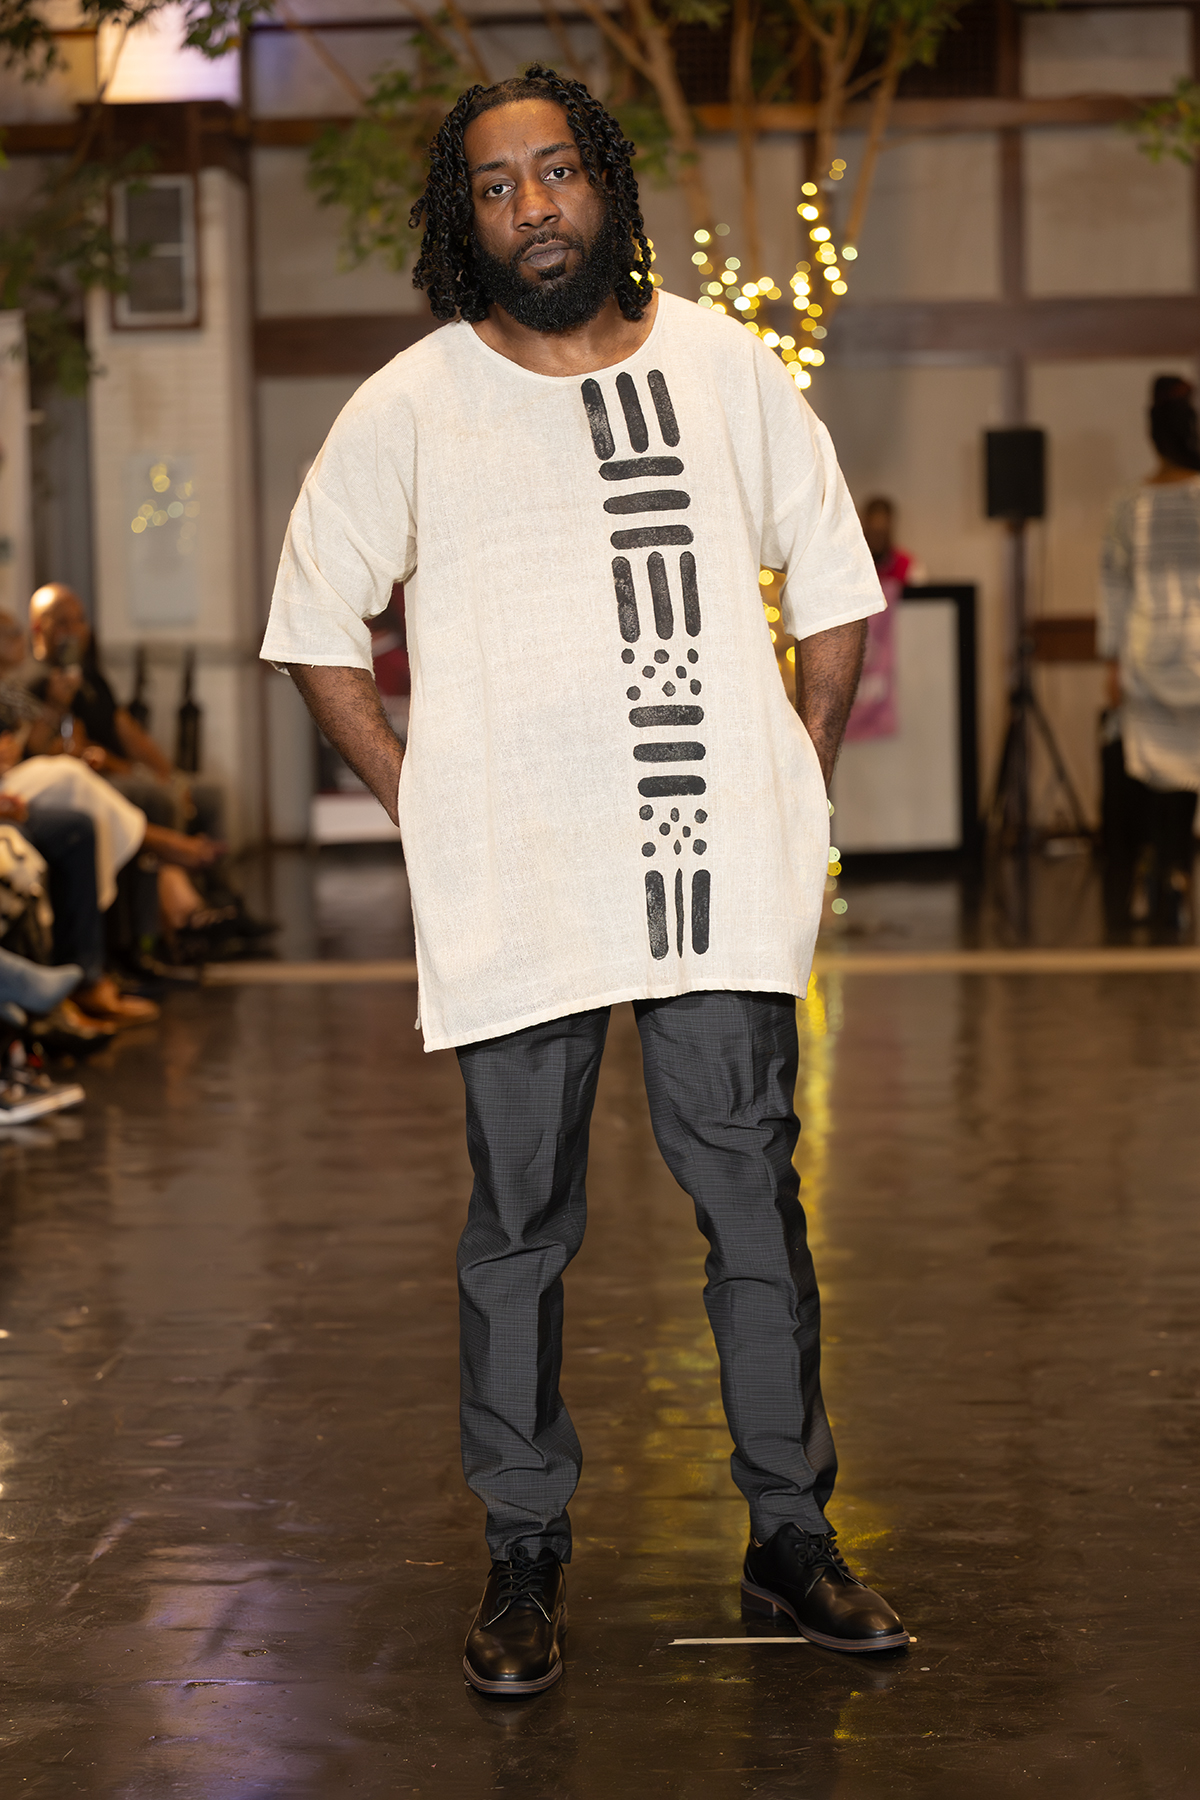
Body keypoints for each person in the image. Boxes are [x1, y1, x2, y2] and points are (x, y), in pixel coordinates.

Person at [263, 65, 907, 1698]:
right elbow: (315, 618)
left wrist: (797, 773)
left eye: (555, 171)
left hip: (709, 873)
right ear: (462, 217)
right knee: (519, 1228)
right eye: (496, 185)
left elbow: (835, 582)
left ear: (604, 184)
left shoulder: (725, 366)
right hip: (522, 883)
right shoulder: (413, 403)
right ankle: (525, 1550)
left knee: (751, 1201)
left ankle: (791, 1536)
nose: (532, 207)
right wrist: (422, 801)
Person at [1100, 375, 1200, 933]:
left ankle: (1160, 869)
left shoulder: (1130, 505)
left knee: (1157, 772)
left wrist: (1111, 662)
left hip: (1146, 654)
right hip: (1197, 656)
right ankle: (1178, 870)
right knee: (1190, 771)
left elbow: (1113, 587)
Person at [845, 496, 924, 743]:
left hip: (901, 660)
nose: (877, 535)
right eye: (873, 529)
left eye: (883, 529)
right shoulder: (850, 566)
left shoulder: (908, 566)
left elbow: (922, 614)